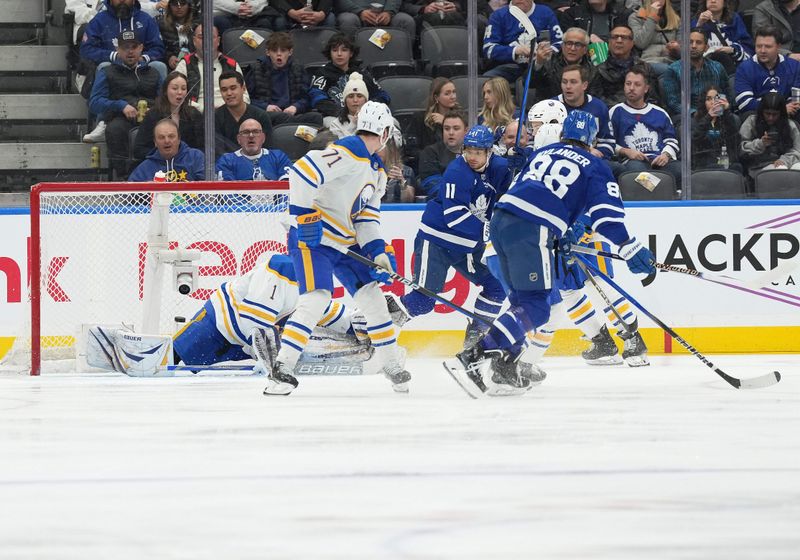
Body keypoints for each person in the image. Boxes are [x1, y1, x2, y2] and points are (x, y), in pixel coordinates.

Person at [450, 110, 656, 395]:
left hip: (500, 222)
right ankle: (474, 355)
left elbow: (536, 191)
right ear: (591, 139)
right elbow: (606, 218)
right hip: (532, 229)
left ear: (562, 135)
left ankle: (506, 367)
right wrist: (630, 248)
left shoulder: (542, 154)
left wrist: (564, 228)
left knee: (523, 303)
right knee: (538, 306)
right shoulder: (595, 166)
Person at [264, 101, 412, 396]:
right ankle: (282, 368)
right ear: (384, 132)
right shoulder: (348, 151)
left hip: (344, 242)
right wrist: (305, 216)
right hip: (314, 240)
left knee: (373, 298)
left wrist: (378, 252)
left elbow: (366, 218)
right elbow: (301, 172)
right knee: (316, 299)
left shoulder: (376, 171)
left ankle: (391, 364)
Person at [385, 125, 511, 350]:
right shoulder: (457, 171)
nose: (471, 157)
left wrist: (519, 163)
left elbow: (511, 191)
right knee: (422, 302)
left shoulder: (500, 168)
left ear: (489, 152)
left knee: (496, 288)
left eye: (478, 152)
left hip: (468, 246)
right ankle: (366, 329)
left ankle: (474, 344)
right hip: (437, 242)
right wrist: (489, 231)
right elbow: (454, 217)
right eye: (468, 150)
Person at [173, 253, 374, 371]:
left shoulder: (316, 287)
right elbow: (255, 326)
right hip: (216, 325)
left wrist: (369, 323)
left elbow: (333, 315)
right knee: (175, 357)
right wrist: (269, 357)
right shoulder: (281, 269)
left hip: (241, 345)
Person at [79, 0, 167, 143]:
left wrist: (143, 57)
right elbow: (86, 49)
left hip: (142, 68)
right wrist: (113, 56)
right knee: (103, 66)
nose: (122, 1)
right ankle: (103, 122)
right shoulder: (99, 20)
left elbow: (159, 48)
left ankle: (164, 116)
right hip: (114, 70)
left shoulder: (145, 20)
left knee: (160, 66)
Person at [88, 30, 164, 178]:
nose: (130, 51)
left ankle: (157, 171)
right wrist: (120, 106)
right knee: (115, 129)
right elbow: (94, 102)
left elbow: (164, 99)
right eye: (125, 47)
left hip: (151, 117)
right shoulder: (107, 71)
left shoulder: (154, 72)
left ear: (141, 48)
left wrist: (153, 108)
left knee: (165, 127)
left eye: (134, 47)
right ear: (117, 50)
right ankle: (124, 176)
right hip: (120, 117)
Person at [609, 66, 681, 184]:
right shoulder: (615, 112)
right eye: (628, 84)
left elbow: (672, 140)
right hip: (633, 162)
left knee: (680, 170)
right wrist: (626, 151)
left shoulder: (660, 113)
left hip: (660, 161)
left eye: (637, 84)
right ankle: (657, 197)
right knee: (640, 175)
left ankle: (671, 198)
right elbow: (608, 142)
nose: (631, 88)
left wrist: (666, 154)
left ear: (646, 88)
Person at [246, 32, 323, 126]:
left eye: (283, 51)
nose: (279, 54)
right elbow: (248, 99)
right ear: (268, 52)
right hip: (267, 115)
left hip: (293, 114)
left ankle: (289, 124)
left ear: (290, 52)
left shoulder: (298, 69)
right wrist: (266, 107)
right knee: (277, 117)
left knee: (316, 117)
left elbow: (306, 97)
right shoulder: (256, 69)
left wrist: (296, 107)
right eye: (274, 51)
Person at [308, 33, 390, 119]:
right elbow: (316, 98)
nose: (339, 54)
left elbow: (383, 95)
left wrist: (367, 109)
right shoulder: (322, 74)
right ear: (330, 53)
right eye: (335, 50)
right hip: (334, 118)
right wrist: (342, 113)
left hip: (365, 117)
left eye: (344, 50)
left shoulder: (362, 73)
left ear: (351, 53)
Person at [483, 0, 564, 84]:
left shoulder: (546, 13)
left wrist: (545, 53)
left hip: (541, 67)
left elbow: (560, 43)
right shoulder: (498, 15)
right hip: (509, 66)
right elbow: (488, 49)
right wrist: (515, 51)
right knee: (486, 80)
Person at [661, 28, 731, 122]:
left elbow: (725, 93)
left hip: (715, 113)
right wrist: (695, 113)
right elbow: (673, 102)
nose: (693, 46)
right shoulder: (673, 70)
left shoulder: (717, 68)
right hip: (686, 116)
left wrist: (717, 110)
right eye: (690, 42)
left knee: (734, 119)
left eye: (698, 42)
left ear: (706, 47)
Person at [175, 24, 250, 111]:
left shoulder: (231, 64)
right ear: (194, 41)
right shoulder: (185, 64)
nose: (206, 41)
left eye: (211, 37)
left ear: (218, 41)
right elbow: (176, 96)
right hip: (196, 115)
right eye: (201, 37)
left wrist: (225, 110)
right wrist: (203, 109)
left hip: (229, 114)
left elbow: (245, 98)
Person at [133, 71, 204, 162]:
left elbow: (203, 147)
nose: (179, 92)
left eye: (183, 89)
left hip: (188, 166)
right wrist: (162, 155)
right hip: (160, 166)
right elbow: (139, 149)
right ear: (165, 91)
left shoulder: (194, 115)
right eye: (174, 88)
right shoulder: (153, 115)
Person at [734, 26, 800, 115]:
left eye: (768, 47)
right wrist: (780, 109)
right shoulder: (744, 68)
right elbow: (744, 103)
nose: (762, 50)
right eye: (759, 46)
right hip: (757, 116)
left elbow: (796, 98)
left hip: (788, 115)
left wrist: (788, 108)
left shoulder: (794, 66)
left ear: (778, 47)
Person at [590, 24, 659, 107]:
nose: (619, 41)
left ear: (632, 43)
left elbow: (653, 99)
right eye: (615, 37)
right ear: (609, 42)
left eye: (624, 38)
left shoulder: (645, 68)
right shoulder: (598, 69)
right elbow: (593, 99)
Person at [554, 64, 614, 159]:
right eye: (564, 82)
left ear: (584, 85)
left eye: (573, 82)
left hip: (591, 161)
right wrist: (584, 151)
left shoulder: (599, 107)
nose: (568, 86)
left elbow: (608, 143)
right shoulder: (551, 106)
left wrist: (596, 156)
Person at [739, 92, 800, 179]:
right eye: (767, 113)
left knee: (797, 167)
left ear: (781, 113)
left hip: (785, 162)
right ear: (762, 112)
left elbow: (797, 150)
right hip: (758, 167)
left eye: (775, 114)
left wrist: (784, 160)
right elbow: (741, 149)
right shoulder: (751, 122)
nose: (770, 118)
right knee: (781, 170)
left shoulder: (789, 124)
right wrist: (761, 143)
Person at [215, 71, 274, 153]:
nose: (229, 93)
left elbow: (268, 151)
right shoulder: (214, 118)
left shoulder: (261, 116)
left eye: (233, 88)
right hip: (227, 164)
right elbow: (217, 154)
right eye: (224, 90)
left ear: (243, 89)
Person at [129, 118, 205, 181]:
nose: (167, 141)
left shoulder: (196, 157)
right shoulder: (145, 168)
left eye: (171, 136)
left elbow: (207, 191)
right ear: (155, 142)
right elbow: (128, 195)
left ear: (179, 139)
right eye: (161, 137)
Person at [530, 27, 594, 101]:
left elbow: (592, 99)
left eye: (578, 45)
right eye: (569, 44)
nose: (572, 48)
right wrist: (539, 63)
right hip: (548, 108)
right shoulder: (549, 61)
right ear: (562, 45)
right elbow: (529, 84)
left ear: (585, 49)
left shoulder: (592, 70)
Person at [216, 119, 293, 180]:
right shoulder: (227, 161)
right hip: (240, 200)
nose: (251, 136)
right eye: (246, 132)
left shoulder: (279, 157)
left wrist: (276, 200)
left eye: (256, 132)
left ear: (263, 138)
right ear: (239, 139)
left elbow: (288, 189)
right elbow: (228, 194)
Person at [691, 0, 754, 74]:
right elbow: (688, 48)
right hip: (703, 70)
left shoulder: (734, 19)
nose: (713, 1)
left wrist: (732, 50)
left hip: (731, 69)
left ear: (724, 3)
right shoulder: (697, 20)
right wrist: (699, 25)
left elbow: (747, 46)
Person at [692, 85, 742, 174]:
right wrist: (708, 117)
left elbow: (735, 140)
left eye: (716, 99)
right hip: (705, 163)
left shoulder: (728, 119)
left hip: (726, 161)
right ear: (703, 102)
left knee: (737, 167)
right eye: (708, 99)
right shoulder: (696, 120)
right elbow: (695, 139)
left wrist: (727, 112)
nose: (712, 102)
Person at [418, 110, 467, 199]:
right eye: (447, 128)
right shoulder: (430, 153)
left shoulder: (476, 154)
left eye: (456, 128)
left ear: (466, 131)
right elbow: (432, 185)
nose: (451, 132)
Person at [628, 0, 680, 73]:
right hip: (648, 61)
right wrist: (652, 17)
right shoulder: (636, 17)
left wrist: (677, 48)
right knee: (667, 71)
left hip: (672, 62)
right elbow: (640, 43)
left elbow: (684, 52)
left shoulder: (676, 19)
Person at [333, 0, 417, 40]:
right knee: (348, 20)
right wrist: (360, 12)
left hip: (385, 13)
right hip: (354, 13)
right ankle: (351, 63)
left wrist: (389, 12)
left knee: (406, 21)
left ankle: (402, 63)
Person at [559, 0, 630, 43]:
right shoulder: (572, 14)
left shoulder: (619, 15)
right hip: (582, 58)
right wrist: (588, 39)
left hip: (610, 58)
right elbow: (567, 41)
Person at [158, 0, 198, 71]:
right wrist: (169, 57)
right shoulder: (161, 23)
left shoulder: (199, 23)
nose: (179, 7)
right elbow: (158, 47)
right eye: (175, 4)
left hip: (196, 62)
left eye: (183, 4)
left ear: (189, 5)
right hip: (171, 67)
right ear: (169, 6)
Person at [422, 77, 460, 148]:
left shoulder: (461, 117)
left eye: (454, 92)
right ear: (436, 97)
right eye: (447, 93)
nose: (453, 97)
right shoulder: (420, 118)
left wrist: (445, 123)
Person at [212, 0, 287, 34]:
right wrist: (237, 7)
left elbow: (263, 1)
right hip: (227, 15)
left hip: (254, 14)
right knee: (220, 21)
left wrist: (252, 7)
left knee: (265, 22)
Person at [379, 138, 417, 203]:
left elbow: (409, 200)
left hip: (397, 210)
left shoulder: (406, 171)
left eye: (380, 147)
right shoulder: (367, 168)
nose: (377, 150)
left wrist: (402, 182)